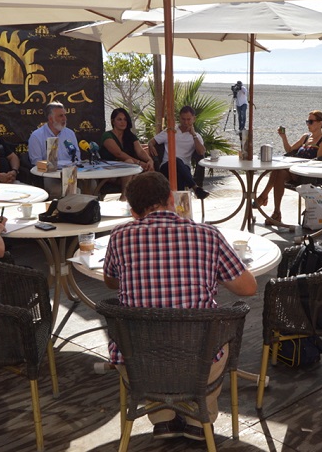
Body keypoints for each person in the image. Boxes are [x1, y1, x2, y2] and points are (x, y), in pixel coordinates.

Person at [102, 171, 257, 442]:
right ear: (171, 199)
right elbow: (248, 288)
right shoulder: (208, 235)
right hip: (198, 360)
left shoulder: (119, 236)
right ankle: (200, 420)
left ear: (133, 210)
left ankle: (163, 419)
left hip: (139, 362)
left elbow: (111, 282)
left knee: (144, 332)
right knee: (216, 340)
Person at [254, 110, 322, 226]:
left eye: (311, 121)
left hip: (310, 175)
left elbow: (319, 163)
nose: (308, 124)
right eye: (307, 121)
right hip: (295, 171)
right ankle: (275, 211)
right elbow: (290, 150)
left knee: (279, 172)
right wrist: (283, 137)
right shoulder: (305, 137)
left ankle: (264, 199)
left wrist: (300, 163)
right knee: (279, 172)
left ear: (320, 123)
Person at [148, 106, 209, 199]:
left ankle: (177, 205)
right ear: (180, 118)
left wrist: (193, 135)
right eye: (183, 119)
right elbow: (152, 141)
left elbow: (201, 152)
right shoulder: (171, 131)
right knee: (175, 160)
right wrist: (151, 146)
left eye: (188, 119)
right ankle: (195, 188)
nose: (186, 122)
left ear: (194, 119)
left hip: (184, 169)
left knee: (179, 174)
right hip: (166, 166)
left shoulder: (197, 136)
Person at [99, 108, 154, 199]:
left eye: (125, 119)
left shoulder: (130, 136)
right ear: (113, 121)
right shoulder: (107, 136)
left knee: (138, 169)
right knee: (130, 162)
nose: (123, 122)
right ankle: (124, 197)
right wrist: (140, 163)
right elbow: (119, 154)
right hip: (109, 170)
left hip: (129, 170)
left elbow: (140, 151)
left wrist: (149, 160)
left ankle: (132, 198)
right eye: (119, 119)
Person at [28, 102, 79, 196]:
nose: (65, 119)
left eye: (65, 115)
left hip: (72, 173)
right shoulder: (37, 136)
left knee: (92, 185)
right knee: (70, 191)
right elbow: (36, 162)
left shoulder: (70, 133)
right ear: (51, 119)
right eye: (61, 116)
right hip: (50, 176)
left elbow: (77, 157)